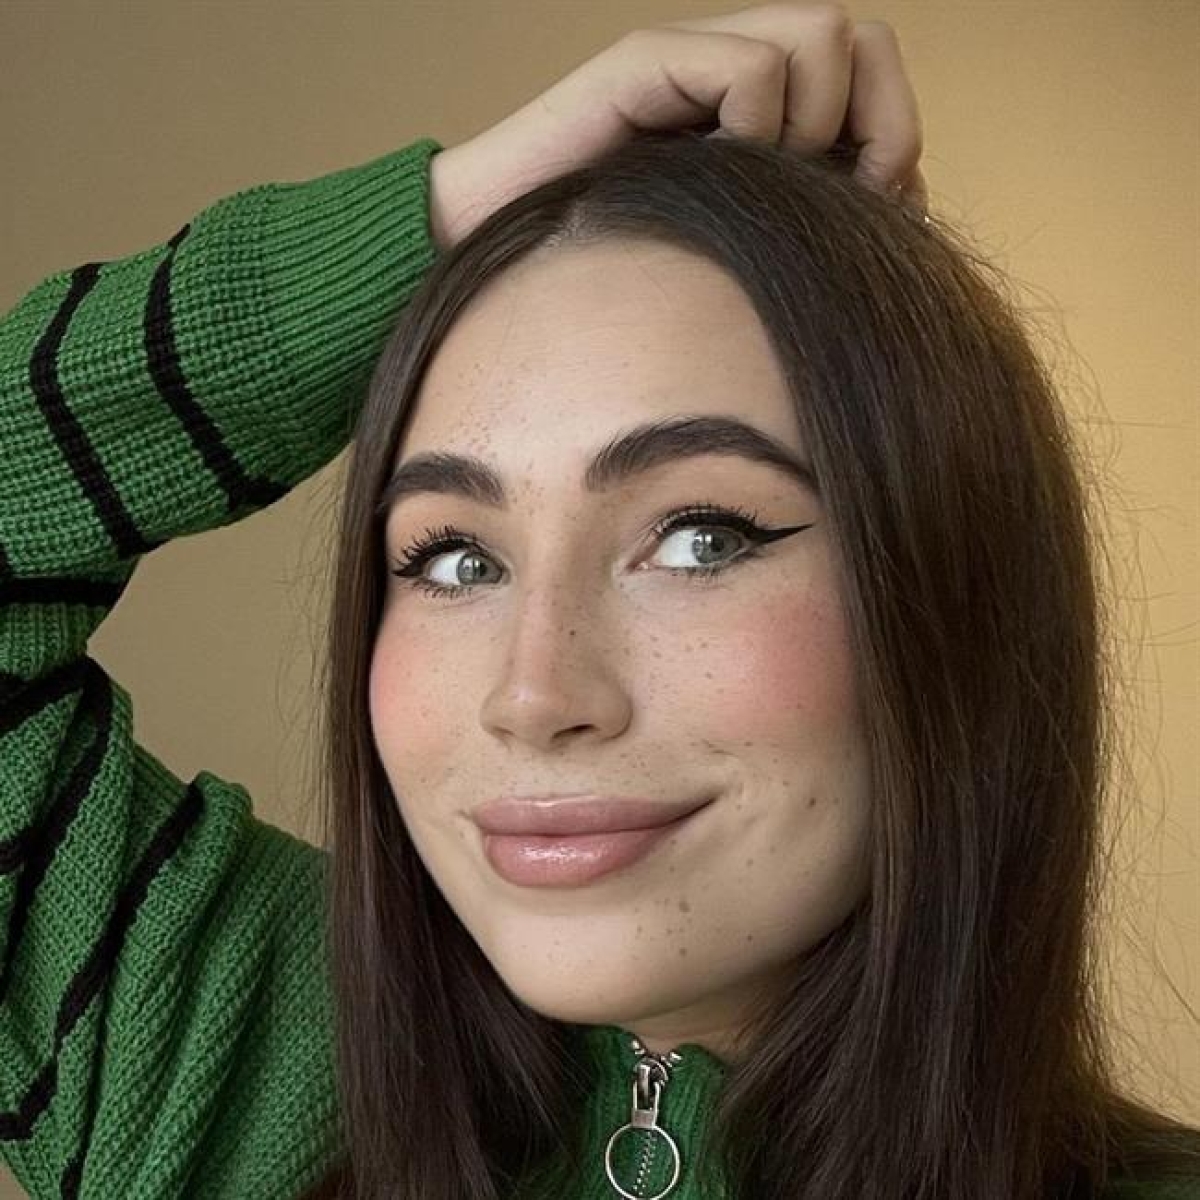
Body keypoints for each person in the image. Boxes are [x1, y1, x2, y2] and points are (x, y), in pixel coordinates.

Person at [0, 5, 1195, 1199]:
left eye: (700, 539)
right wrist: (451, 213)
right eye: (458, 558)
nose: (535, 695)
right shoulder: (212, 1065)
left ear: (952, 595)